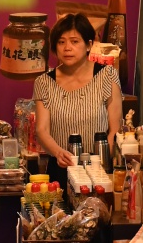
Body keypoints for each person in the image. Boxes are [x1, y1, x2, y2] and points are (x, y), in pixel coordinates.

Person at [33, 11, 123, 186]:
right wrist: (59, 153)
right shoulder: (44, 82)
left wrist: (105, 163)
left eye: (74, 41)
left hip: (100, 170)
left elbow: (115, 128)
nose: (67, 48)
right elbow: (42, 130)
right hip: (61, 169)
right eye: (61, 42)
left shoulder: (107, 75)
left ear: (89, 45)